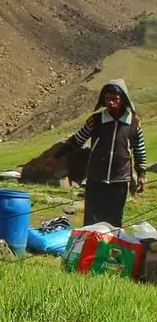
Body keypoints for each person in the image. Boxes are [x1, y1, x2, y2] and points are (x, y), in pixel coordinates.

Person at [64, 79, 147, 227]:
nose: (111, 103)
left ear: (123, 100)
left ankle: (110, 250)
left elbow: (139, 149)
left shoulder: (134, 122)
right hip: (96, 179)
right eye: (108, 99)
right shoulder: (95, 120)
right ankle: (91, 249)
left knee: (114, 223)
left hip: (120, 181)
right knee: (91, 221)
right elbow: (77, 141)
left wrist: (141, 174)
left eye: (115, 99)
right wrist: (60, 158)